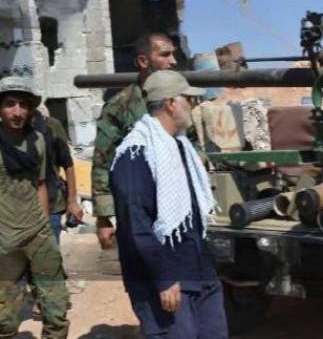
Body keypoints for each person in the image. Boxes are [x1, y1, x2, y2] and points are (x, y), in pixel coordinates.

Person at [109, 70, 227, 339]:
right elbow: (135, 224)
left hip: (198, 270)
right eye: (188, 99)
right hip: (165, 280)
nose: (192, 105)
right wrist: (164, 278)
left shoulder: (179, 147)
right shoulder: (136, 154)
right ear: (171, 103)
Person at [92, 32, 177, 250]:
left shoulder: (179, 102)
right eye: (165, 55)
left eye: (173, 55)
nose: (173, 61)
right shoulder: (119, 107)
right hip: (139, 209)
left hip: (178, 204)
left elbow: (195, 146)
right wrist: (104, 216)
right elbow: (103, 162)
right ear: (143, 61)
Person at [0, 76, 69, 338]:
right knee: (5, 320)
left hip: (38, 236)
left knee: (56, 310)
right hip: (5, 242)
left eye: (23, 105)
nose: (17, 112)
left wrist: (45, 229)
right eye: (10, 104)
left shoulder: (38, 140)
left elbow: (40, 184)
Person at [33, 107, 84, 243]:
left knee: (48, 258)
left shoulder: (51, 126)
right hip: (14, 210)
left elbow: (67, 164)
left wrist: (72, 201)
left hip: (51, 204)